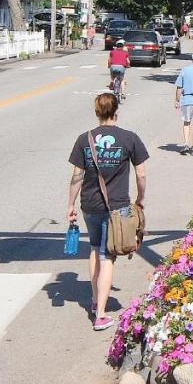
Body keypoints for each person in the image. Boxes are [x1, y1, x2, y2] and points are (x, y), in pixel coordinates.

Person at [66, 92, 148, 331]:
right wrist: (141, 198)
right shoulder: (129, 138)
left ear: (97, 113)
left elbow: (76, 176)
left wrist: (70, 204)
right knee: (108, 256)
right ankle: (101, 314)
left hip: (90, 205)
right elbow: (141, 174)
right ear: (116, 112)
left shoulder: (85, 139)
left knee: (94, 249)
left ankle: (94, 300)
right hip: (118, 207)